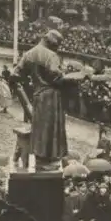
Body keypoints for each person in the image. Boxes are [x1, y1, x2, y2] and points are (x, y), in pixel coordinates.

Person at [12, 30, 69, 169]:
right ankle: (48, 161)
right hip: (52, 95)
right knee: (51, 129)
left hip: (38, 94)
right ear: (52, 43)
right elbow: (57, 78)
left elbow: (15, 76)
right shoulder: (51, 56)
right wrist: (72, 77)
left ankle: (40, 158)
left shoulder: (29, 54)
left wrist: (24, 100)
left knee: (40, 128)